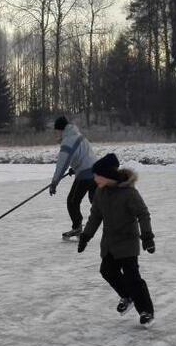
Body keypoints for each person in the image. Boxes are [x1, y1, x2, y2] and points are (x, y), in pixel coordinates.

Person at [77, 153, 156, 324]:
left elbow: (143, 214)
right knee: (107, 271)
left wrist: (147, 236)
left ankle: (146, 311)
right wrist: (86, 236)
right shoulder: (100, 192)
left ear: (107, 175)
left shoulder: (129, 193)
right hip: (110, 243)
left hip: (127, 242)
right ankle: (127, 296)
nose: (95, 178)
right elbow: (95, 216)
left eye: (97, 175)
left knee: (132, 278)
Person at [49, 116, 97, 239]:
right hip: (95, 172)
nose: (56, 134)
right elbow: (86, 155)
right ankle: (115, 223)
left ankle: (77, 228)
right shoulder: (79, 135)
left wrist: (55, 182)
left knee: (72, 201)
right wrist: (75, 169)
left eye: (56, 131)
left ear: (61, 130)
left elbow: (62, 164)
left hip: (85, 174)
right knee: (96, 201)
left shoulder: (68, 141)